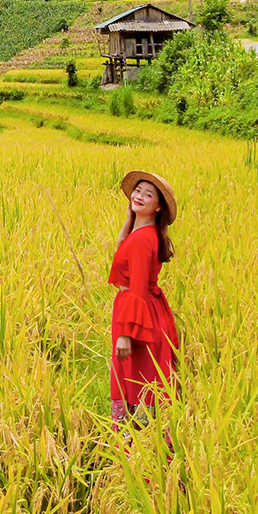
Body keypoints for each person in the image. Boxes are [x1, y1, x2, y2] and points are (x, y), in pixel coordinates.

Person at [109, 171, 180, 436]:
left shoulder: (141, 240)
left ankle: (139, 454)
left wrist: (126, 334)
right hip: (146, 313)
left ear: (158, 206)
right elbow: (121, 250)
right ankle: (145, 451)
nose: (138, 196)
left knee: (137, 383)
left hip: (137, 320)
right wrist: (129, 220)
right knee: (144, 382)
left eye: (148, 195)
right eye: (137, 190)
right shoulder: (144, 234)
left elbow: (137, 287)